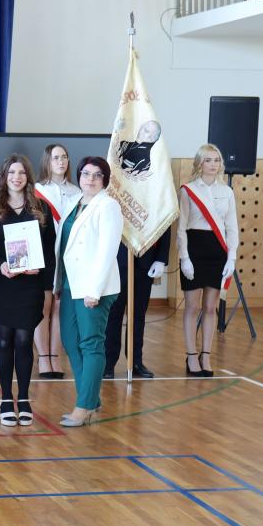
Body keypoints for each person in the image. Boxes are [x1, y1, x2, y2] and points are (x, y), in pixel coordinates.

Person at [0, 155, 55, 426]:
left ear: (28, 177)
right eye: (12, 172)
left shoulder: (41, 208)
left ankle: (23, 398)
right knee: (4, 340)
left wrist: (44, 276)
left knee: (24, 340)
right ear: (4, 176)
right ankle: (5, 398)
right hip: (2, 283)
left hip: (30, 285)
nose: (17, 177)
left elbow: (49, 250)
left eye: (22, 172)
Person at [54, 156, 122, 427]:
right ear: (79, 176)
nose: (90, 179)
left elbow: (108, 251)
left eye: (97, 175)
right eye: (86, 174)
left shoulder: (108, 206)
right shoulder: (74, 202)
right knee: (71, 342)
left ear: (104, 180)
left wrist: (95, 290)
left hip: (94, 288)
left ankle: (84, 406)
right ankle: (91, 399)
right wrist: (58, 282)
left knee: (91, 344)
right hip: (71, 284)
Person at [177, 143, 238, 378]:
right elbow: (181, 227)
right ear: (199, 163)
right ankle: (191, 355)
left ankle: (206, 355)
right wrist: (184, 258)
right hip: (194, 249)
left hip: (217, 252)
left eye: (217, 160)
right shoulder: (188, 190)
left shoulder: (227, 192)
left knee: (211, 308)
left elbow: (232, 227)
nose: (213, 164)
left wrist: (231, 257)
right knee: (192, 307)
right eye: (208, 160)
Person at [33, 143, 80, 380]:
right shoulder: (37, 190)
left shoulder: (78, 192)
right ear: (47, 162)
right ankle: (43, 356)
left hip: (69, 255)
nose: (61, 162)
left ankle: (55, 355)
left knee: (61, 307)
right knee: (43, 306)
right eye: (55, 158)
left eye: (64, 157)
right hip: (44, 254)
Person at [103, 229, 171, 379]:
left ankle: (135, 361)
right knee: (114, 313)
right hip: (116, 258)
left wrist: (161, 258)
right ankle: (108, 362)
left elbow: (164, 221)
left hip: (145, 258)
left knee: (138, 314)